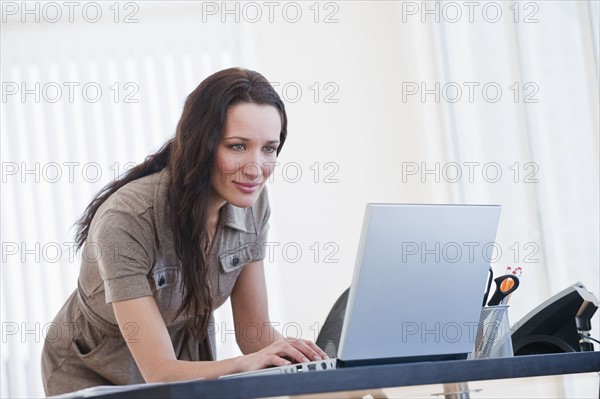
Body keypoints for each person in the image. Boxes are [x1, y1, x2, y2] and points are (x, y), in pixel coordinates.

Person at [41, 67, 328, 396]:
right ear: (200, 144)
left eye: (269, 149)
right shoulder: (127, 220)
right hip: (95, 369)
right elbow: (160, 372)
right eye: (237, 146)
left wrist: (314, 361)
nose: (255, 169)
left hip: (180, 357)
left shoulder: (253, 206)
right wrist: (243, 365)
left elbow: (254, 336)